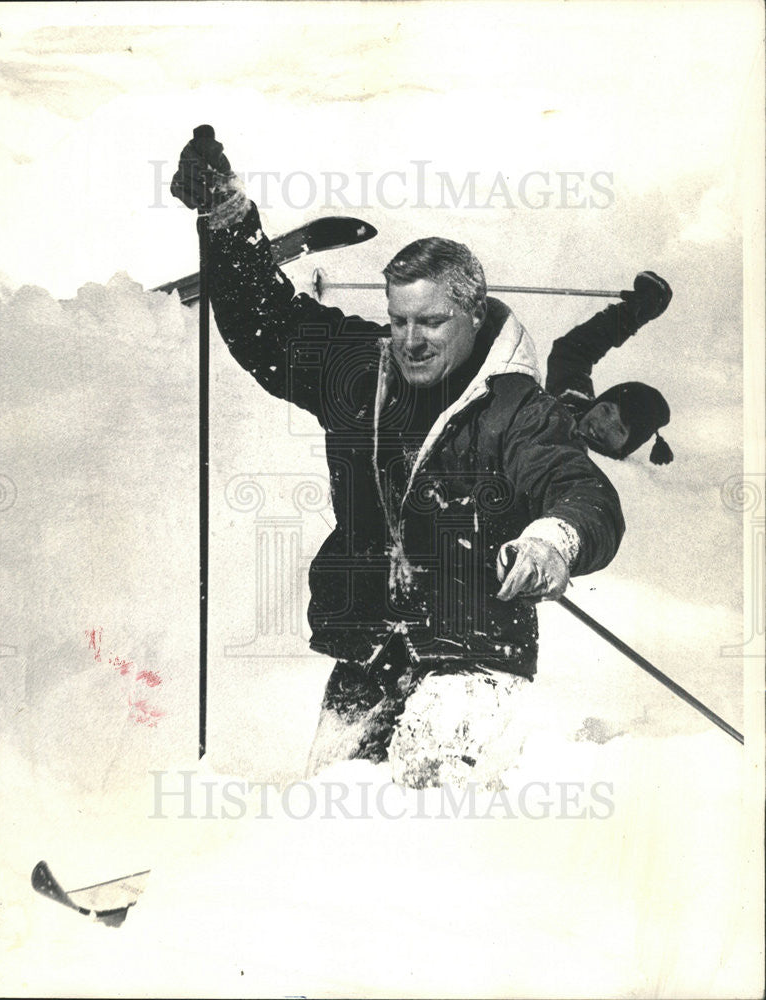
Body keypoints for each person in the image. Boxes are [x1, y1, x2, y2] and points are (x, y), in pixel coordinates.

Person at [171, 128, 625, 785]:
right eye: (400, 319)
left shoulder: (517, 409)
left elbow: (579, 492)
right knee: (331, 807)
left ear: (471, 316)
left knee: (421, 830)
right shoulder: (359, 369)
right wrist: (225, 217)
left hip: (472, 656)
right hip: (369, 645)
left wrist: (552, 541)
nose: (410, 340)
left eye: (431, 323)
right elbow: (264, 321)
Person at [546, 272, 674, 464]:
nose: (602, 427)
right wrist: (629, 316)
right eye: (605, 410)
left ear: (626, 446)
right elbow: (573, 352)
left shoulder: (606, 478)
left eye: (619, 429)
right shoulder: (569, 409)